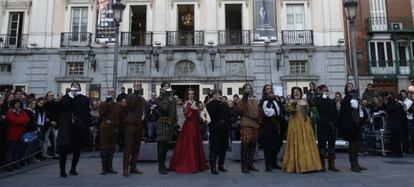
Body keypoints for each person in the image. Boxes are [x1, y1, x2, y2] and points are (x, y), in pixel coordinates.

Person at [283, 87, 322, 173]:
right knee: (297, 142)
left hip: (305, 123)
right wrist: (293, 103)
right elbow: (290, 111)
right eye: (294, 92)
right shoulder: (290, 101)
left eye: (297, 91)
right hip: (295, 123)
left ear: (300, 93)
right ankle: (298, 165)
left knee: (307, 142)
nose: (296, 93)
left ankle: (310, 165)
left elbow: (307, 111)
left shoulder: (304, 101)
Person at [169, 89, 208, 173]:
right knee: (189, 144)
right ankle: (190, 164)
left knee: (195, 144)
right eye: (189, 94)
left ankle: (197, 164)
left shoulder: (196, 103)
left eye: (192, 94)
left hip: (195, 125)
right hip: (189, 126)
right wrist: (192, 108)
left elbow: (198, 115)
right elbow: (187, 115)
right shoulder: (186, 103)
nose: (191, 95)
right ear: (187, 95)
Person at [57, 81, 92, 177]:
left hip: (79, 128)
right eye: (73, 86)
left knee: (77, 150)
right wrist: (70, 96)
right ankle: (62, 171)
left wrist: (88, 126)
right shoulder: (66, 97)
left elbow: (87, 114)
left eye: (77, 86)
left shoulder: (84, 99)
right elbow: (61, 107)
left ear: (80, 88)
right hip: (67, 128)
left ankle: (73, 169)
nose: (75, 87)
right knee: (63, 150)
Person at [339, 83, 367, 172]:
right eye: (349, 86)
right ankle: (353, 165)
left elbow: (358, 109)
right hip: (350, 125)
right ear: (346, 89)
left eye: (351, 86)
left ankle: (356, 163)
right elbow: (348, 112)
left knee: (356, 145)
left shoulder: (354, 98)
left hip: (356, 125)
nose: (351, 87)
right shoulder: (347, 99)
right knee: (353, 145)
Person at [121, 82, 146, 177]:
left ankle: (133, 167)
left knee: (136, 148)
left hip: (140, 125)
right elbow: (132, 105)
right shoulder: (130, 96)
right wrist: (135, 94)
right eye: (137, 86)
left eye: (140, 86)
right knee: (128, 148)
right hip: (130, 125)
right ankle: (125, 168)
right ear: (133, 86)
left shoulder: (142, 99)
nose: (138, 87)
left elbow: (144, 111)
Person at [313, 85, 339, 172]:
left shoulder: (331, 101)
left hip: (331, 126)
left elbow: (335, 113)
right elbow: (321, 107)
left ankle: (332, 165)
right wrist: (322, 96)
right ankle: (322, 165)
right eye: (323, 90)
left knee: (332, 145)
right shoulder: (317, 99)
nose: (325, 92)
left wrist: (335, 123)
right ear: (319, 91)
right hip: (322, 126)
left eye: (326, 90)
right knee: (322, 145)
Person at [236, 84, 260, 173]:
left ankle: (251, 164)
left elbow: (258, 110)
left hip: (255, 124)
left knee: (253, 145)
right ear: (243, 90)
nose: (248, 90)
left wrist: (259, 121)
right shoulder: (241, 100)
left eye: (249, 88)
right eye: (246, 88)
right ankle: (244, 166)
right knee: (245, 145)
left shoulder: (254, 99)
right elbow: (240, 109)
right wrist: (244, 98)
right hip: (246, 123)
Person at [98, 88, 123, 175]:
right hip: (105, 128)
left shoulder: (117, 105)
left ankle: (110, 167)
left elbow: (120, 114)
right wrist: (107, 102)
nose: (112, 94)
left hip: (114, 128)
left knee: (112, 148)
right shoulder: (103, 104)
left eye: (113, 92)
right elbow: (101, 113)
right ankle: (104, 168)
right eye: (110, 92)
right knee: (104, 148)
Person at [206, 89, 230, 175]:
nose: (217, 96)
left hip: (224, 129)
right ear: (212, 96)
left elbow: (228, 115)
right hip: (215, 129)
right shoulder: (210, 105)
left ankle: (221, 165)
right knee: (214, 149)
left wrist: (227, 124)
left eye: (219, 94)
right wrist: (215, 102)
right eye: (215, 94)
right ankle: (213, 167)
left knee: (223, 148)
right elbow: (212, 113)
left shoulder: (224, 104)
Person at [259, 84, 282, 172]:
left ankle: (274, 163)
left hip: (277, 125)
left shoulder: (275, 100)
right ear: (265, 91)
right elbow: (267, 112)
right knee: (268, 146)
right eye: (268, 89)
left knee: (277, 144)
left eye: (271, 89)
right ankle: (268, 165)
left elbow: (280, 110)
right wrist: (274, 112)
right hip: (268, 125)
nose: (270, 90)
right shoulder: (264, 101)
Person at [155, 81, 177, 174]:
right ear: (162, 88)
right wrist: (168, 98)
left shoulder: (171, 98)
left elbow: (173, 111)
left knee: (166, 146)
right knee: (161, 146)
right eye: (165, 86)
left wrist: (175, 122)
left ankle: (163, 165)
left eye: (168, 86)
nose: (167, 88)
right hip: (163, 123)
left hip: (170, 124)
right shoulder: (160, 98)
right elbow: (164, 108)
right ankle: (160, 167)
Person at [4, 99, 30, 171]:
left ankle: (15, 163)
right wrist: (22, 121)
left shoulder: (22, 111)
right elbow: (14, 121)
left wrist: (19, 121)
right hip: (12, 134)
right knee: (10, 151)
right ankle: (8, 165)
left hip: (20, 134)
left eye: (19, 103)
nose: (18, 105)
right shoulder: (9, 112)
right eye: (16, 103)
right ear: (13, 104)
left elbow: (27, 119)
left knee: (17, 151)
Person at [44, 91, 59, 159]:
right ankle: (44, 154)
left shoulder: (56, 103)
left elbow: (58, 114)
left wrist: (56, 122)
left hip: (55, 124)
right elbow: (44, 114)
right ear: (47, 96)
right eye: (50, 95)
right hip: (47, 124)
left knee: (56, 138)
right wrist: (50, 121)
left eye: (52, 95)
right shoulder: (45, 104)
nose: (52, 97)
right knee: (45, 138)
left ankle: (56, 153)